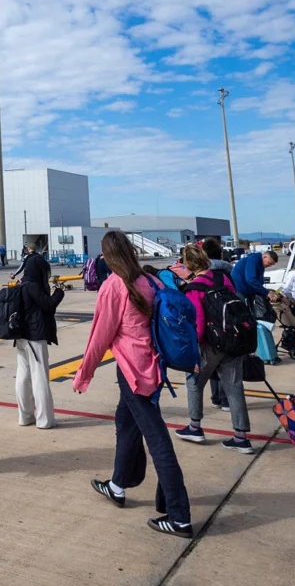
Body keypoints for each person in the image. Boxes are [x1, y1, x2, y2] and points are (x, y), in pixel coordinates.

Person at [73, 231, 193, 540]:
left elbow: (100, 334)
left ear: (108, 256)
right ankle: (117, 485)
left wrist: (84, 373)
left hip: (134, 373)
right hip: (153, 367)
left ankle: (179, 516)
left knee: (158, 442)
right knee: (125, 423)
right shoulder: (150, 281)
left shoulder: (115, 285)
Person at [176, 241, 251, 453]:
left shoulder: (194, 287)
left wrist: (194, 347)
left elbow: (198, 322)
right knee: (235, 387)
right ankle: (241, 437)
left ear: (189, 264)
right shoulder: (223, 278)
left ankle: (195, 427)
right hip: (233, 340)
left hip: (210, 344)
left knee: (194, 382)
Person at [13, 244, 64, 429]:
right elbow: (48, 305)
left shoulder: (21, 284)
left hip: (21, 337)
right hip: (35, 336)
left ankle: (25, 416)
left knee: (23, 376)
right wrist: (59, 292)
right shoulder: (33, 287)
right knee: (40, 377)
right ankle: (44, 419)